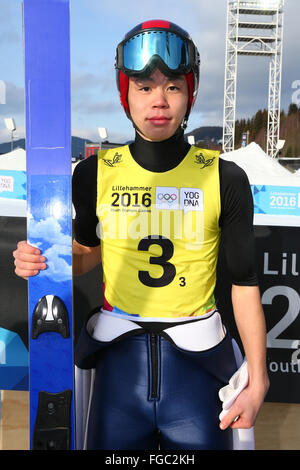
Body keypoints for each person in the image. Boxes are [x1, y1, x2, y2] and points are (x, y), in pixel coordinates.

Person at [13, 19, 269, 450]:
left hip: (198, 365)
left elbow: (244, 287)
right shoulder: (95, 172)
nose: (159, 100)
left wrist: (258, 378)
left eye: (172, 86)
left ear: (190, 95)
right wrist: (43, 262)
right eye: (144, 86)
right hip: (119, 366)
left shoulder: (224, 178)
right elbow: (86, 253)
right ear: (124, 96)